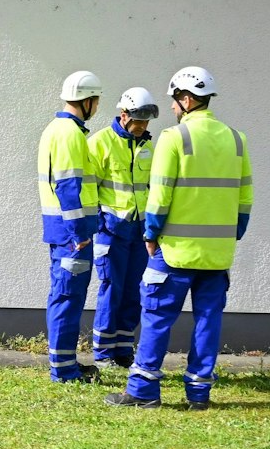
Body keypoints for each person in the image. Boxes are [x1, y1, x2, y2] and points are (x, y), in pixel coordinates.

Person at [107, 66, 252, 411]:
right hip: (217, 254)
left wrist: (151, 234)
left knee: (157, 316)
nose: (172, 107)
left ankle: (143, 392)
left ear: (186, 99)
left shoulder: (174, 138)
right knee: (208, 321)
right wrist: (232, 236)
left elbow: (159, 195)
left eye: (174, 100)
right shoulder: (237, 139)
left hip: (174, 250)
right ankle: (199, 395)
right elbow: (245, 199)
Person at [38, 70, 104, 383]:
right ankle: (64, 371)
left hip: (66, 232)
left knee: (66, 296)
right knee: (67, 297)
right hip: (71, 235)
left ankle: (66, 366)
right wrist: (80, 234)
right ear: (88, 101)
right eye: (96, 100)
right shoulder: (69, 133)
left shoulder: (61, 129)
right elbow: (68, 186)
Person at [86, 87, 158, 371]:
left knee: (133, 290)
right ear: (123, 114)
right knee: (111, 288)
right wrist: (97, 221)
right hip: (110, 230)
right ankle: (103, 354)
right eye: (137, 120)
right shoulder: (101, 142)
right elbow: (88, 186)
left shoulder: (149, 146)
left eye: (145, 121)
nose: (142, 126)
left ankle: (123, 350)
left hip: (139, 230)